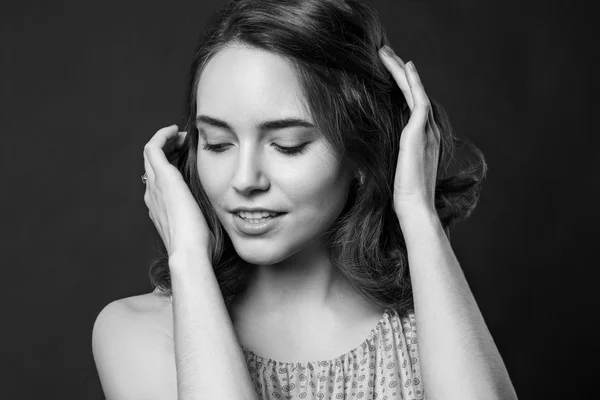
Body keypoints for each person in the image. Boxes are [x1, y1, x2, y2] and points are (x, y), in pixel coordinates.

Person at [92, 0, 518, 399]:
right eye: (219, 144)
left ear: (360, 154)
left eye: (288, 145)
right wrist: (187, 258)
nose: (245, 181)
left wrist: (417, 210)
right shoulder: (139, 332)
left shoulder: (436, 325)